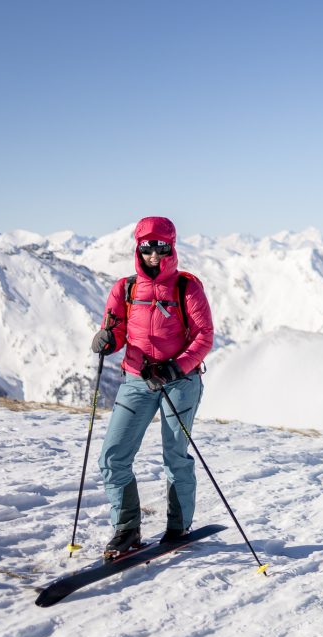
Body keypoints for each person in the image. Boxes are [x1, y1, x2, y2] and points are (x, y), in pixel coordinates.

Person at [90, 216, 214, 560]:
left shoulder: (186, 288)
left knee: (175, 455)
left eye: (161, 247)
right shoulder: (125, 289)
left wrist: (174, 368)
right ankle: (126, 530)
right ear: (138, 249)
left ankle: (179, 525)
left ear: (171, 248)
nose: (154, 254)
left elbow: (204, 338)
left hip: (181, 382)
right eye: (147, 247)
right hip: (136, 379)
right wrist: (105, 340)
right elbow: (115, 332)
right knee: (113, 456)